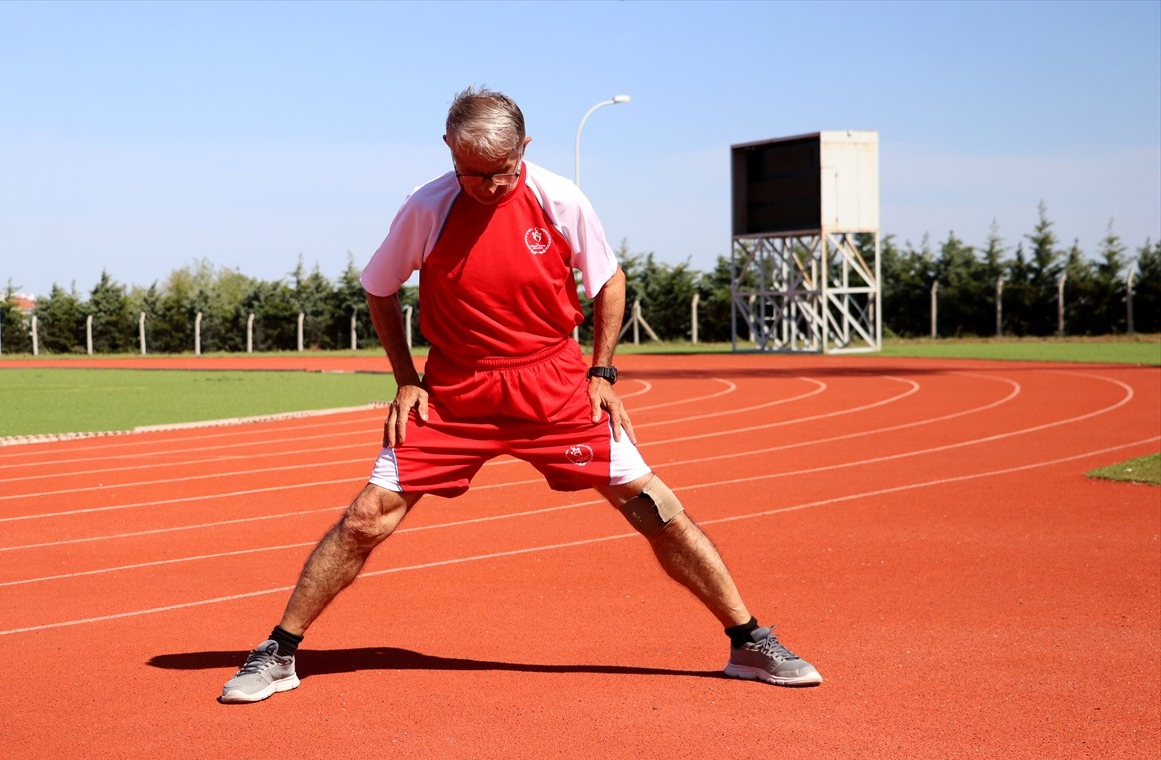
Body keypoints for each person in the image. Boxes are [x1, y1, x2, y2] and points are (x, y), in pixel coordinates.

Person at [220, 87, 821, 703]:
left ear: (524, 149)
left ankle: (748, 640)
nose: (486, 186)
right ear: (449, 149)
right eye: (471, 172)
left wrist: (602, 372)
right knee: (365, 519)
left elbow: (609, 281)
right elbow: (380, 288)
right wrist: (406, 378)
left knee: (654, 508)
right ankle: (279, 652)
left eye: (500, 173)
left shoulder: (561, 198)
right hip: (456, 389)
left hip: (553, 382)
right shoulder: (426, 207)